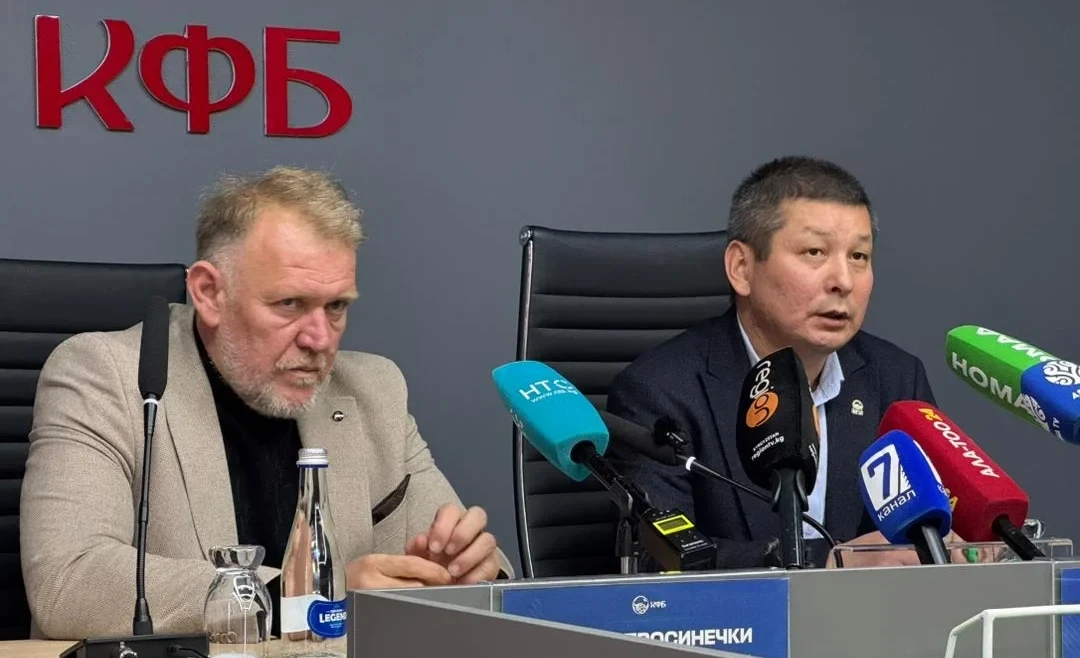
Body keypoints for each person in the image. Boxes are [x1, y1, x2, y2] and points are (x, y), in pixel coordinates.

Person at [20, 166, 512, 640]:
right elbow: (69, 579)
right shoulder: (107, 376)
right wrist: (303, 597)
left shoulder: (374, 391)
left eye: (336, 306)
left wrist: (465, 574)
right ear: (209, 293)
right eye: (289, 304)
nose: (320, 339)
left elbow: (476, 565)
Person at [606, 155, 942, 570]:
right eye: (815, 252)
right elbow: (659, 561)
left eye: (859, 256)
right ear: (742, 268)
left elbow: (935, 537)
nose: (843, 281)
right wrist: (835, 563)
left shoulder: (896, 379)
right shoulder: (659, 392)